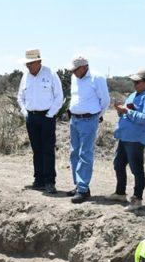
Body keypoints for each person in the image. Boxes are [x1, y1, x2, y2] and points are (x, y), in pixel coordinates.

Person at [108, 69, 145, 211]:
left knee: (136, 169)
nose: (134, 84)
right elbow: (126, 115)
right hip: (124, 136)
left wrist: (127, 111)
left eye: (137, 82)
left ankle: (137, 199)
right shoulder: (132, 95)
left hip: (136, 138)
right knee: (118, 164)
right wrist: (121, 111)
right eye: (134, 82)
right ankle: (120, 192)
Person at [16, 49, 64, 195]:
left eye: (31, 63)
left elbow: (59, 97)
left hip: (47, 118)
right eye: (27, 64)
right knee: (36, 150)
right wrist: (25, 112)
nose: (28, 66)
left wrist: (50, 114)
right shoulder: (25, 76)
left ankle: (50, 182)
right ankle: (39, 180)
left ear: (39, 62)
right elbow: (20, 97)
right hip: (31, 117)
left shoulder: (51, 74)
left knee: (48, 150)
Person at [66, 55, 110, 203]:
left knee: (85, 153)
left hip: (89, 119)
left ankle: (83, 189)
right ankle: (78, 184)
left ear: (84, 67)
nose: (73, 73)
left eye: (75, 70)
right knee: (74, 153)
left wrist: (97, 116)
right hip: (75, 119)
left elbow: (105, 100)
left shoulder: (97, 78)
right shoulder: (74, 78)